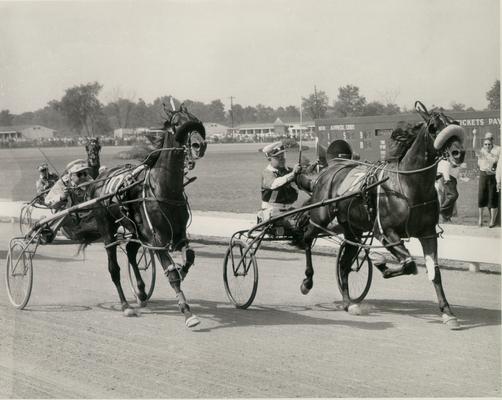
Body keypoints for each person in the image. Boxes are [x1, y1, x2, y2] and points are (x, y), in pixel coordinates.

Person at [473, 131, 500, 227]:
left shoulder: (498, 150)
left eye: (489, 143)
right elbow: (474, 148)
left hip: (493, 176)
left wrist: (495, 172)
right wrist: (475, 135)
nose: (488, 145)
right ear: (484, 143)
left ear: (493, 141)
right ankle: (480, 219)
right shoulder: (482, 151)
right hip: (483, 175)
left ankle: (492, 221)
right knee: (481, 197)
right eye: (486, 144)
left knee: (493, 198)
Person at [435, 158, 460, 223]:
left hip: (452, 177)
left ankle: (446, 217)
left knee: (447, 197)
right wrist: (446, 178)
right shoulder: (446, 160)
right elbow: (445, 164)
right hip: (447, 176)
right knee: (453, 195)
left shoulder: (453, 158)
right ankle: (441, 211)